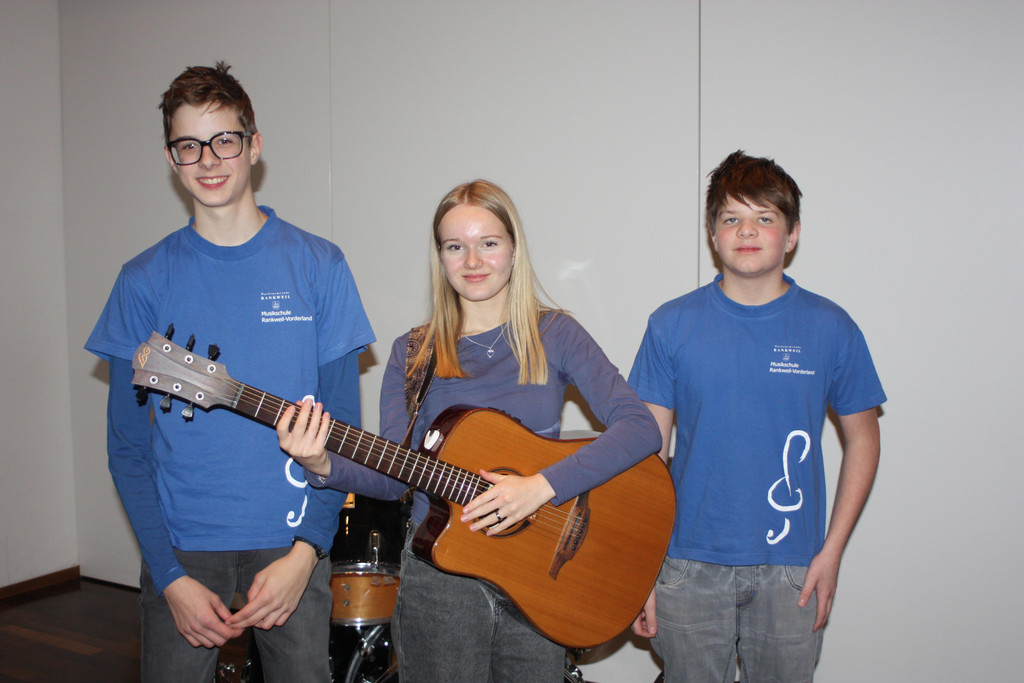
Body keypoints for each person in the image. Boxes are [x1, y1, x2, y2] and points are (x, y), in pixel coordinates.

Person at [277, 179, 661, 683]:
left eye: (489, 243)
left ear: (514, 250)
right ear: (440, 258)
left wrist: (540, 488)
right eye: (455, 246)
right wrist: (322, 464)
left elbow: (640, 428)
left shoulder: (555, 333)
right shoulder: (413, 353)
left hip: (540, 572)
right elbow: (395, 476)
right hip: (443, 579)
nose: (473, 261)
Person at [84, 62, 375, 682]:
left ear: (254, 145)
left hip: (291, 544)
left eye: (224, 140)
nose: (208, 160)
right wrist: (169, 577)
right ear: (171, 158)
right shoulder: (142, 280)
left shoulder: (319, 266)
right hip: (182, 550)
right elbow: (127, 449)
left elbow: (343, 432)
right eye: (188, 145)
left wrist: (308, 552)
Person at [628, 151, 886, 682]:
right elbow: (646, 454)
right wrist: (640, 567)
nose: (746, 231)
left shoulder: (831, 327)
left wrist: (832, 552)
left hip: (793, 569)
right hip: (684, 565)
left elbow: (863, 440)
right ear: (712, 234)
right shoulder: (670, 325)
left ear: (791, 235)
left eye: (764, 217)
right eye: (731, 218)